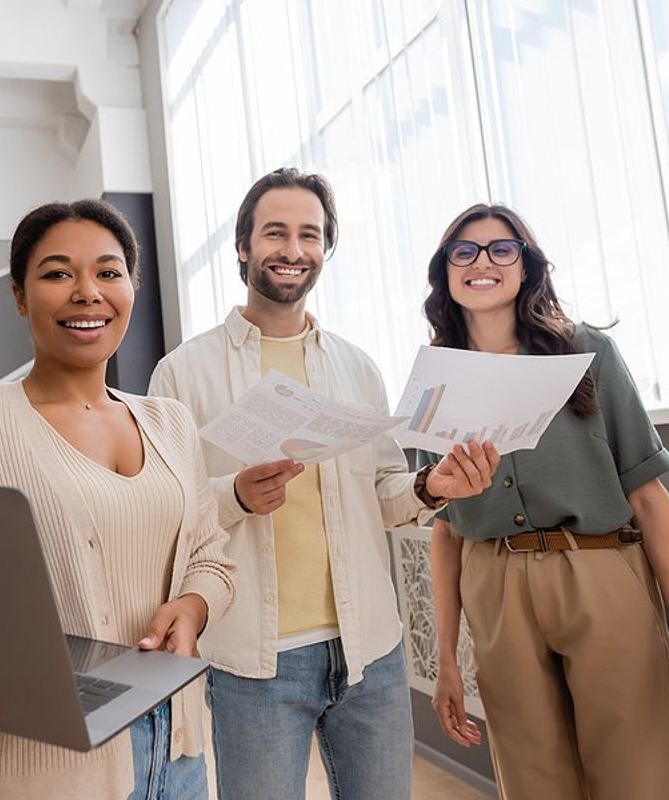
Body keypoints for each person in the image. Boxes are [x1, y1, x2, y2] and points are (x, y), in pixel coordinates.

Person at [0, 199, 236, 800]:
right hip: (49, 772)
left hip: (178, 751)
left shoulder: (170, 423)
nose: (88, 292)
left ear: (132, 288)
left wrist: (192, 608)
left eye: (108, 272)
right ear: (19, 295)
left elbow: (211, 555)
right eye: (58, 273)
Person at [148, 168, 499, 800]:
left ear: (324, 251)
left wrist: (431, 485)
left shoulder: (355, 367)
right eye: (275, 233)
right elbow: (161, 513)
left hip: (370, 652)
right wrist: (234, 496)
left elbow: (385, 493)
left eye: (309, 235)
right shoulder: (182, 373)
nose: (292, 249)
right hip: (252, 662)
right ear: (242, 247)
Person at [422, 203, 669, 800]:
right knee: (532, 779)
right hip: (495, 586)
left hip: (599, 571)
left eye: (500, 248)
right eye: (463, 251)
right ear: (445, 271)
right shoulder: (434, 381)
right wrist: (447, 659)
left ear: (527, 265)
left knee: (642, 775)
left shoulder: (586, 352)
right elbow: (444, 528)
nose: (481, 262)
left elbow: (648, 495)